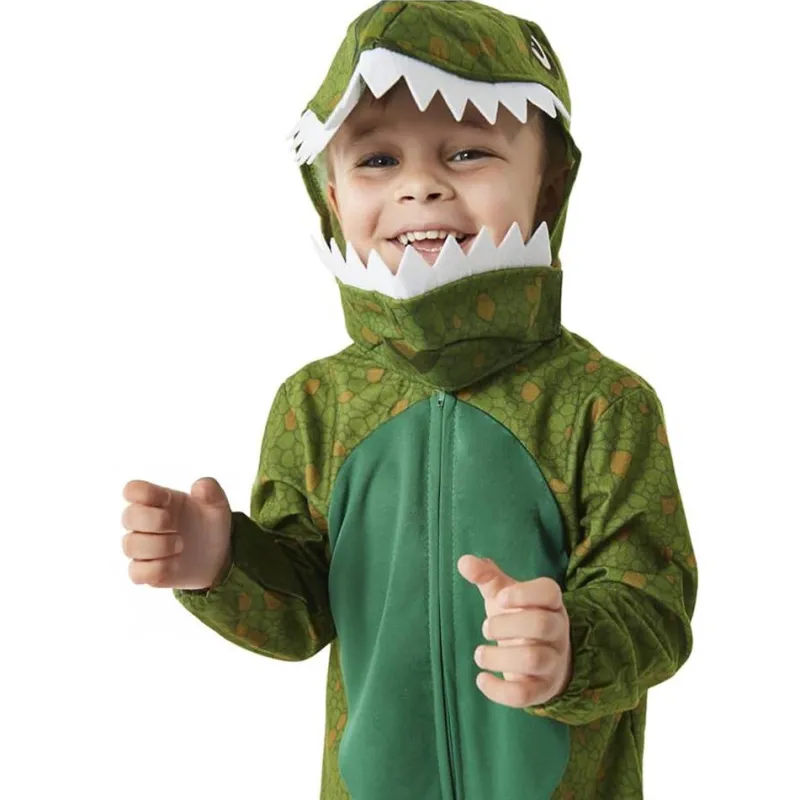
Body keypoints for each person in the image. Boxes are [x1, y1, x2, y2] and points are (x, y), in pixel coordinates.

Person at [121, 2, 698, 797]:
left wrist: (573, 647)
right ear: (330, 196)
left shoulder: (604, 404)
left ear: (549, 183)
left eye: (467, 151)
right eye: (378, 160)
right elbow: (303, 614)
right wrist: (219, 564)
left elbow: (654, 606)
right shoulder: (315, 404)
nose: (421, 186)